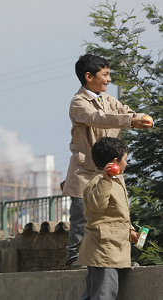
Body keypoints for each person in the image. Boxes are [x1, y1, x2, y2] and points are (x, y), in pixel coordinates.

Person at [61, 54, 153, 266]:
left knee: (119, 214)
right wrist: (130, 121)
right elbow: (98, 118)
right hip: (85, 171)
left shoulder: (109, 100)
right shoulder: (79, 102)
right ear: (88, 76)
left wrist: (138, 118)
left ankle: (121, 258)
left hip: (111, 170)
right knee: (82, 218)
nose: (109, 79)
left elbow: (127, 113)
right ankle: (76, 259)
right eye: (106, 74)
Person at [78, 137, 139, 299]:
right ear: (114, 162)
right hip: (104, 250)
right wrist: (105, 180)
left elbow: (117, 213)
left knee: (93, 294)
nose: (127, 162)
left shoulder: (115, 181)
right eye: (125, 159)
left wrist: (131, 230)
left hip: (111, 248)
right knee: (104, 294)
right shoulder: (98, 183)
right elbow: (96, 206)